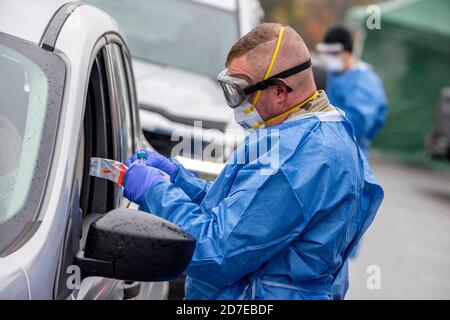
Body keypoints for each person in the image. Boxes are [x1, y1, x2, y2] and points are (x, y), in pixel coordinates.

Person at [122, 23, 384, 300]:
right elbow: (243, 211)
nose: (237, 104)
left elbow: (216, 253)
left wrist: (155, 192)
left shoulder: (294, 159)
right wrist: (178, 179)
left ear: (281, 91)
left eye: (241, 91)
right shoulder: (319, 130)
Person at [317, 25, 388, 158]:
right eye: (326, 52)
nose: (328, 57)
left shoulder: (364, 80)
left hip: (353, 152)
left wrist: (322, 116)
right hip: (331, 147)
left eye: (333, 53)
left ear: (346, 53)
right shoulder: (335, 74)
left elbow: (359, 124)